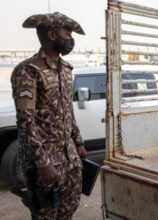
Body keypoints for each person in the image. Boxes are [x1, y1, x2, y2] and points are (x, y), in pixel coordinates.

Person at [11, 12, 87, 219]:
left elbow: (67, 110)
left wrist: (78, 142)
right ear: (52, 35)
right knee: (46, 213)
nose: (71, 39)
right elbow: (26, 120)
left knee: (68, 208)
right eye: (68, 33)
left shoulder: (66, 69)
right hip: (45, 161)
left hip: (68, 155)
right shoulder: (28, 71)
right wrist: (43, 162)